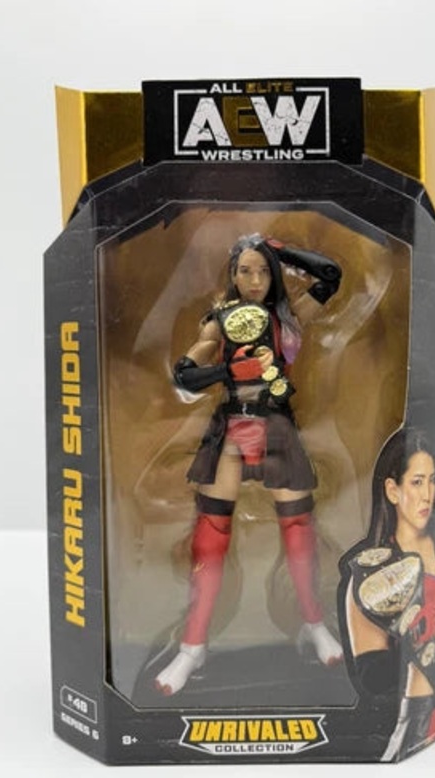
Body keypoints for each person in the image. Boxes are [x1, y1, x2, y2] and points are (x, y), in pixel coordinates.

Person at [154, 233, 344, 695]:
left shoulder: (289, 317)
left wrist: (282, 251)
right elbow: (183, 374)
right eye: (245, 271)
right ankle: (192, 646)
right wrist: (226, 371)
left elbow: (330, 275)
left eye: (263, 270)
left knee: (298, 526)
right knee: (210, 535)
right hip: (231, 425)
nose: (255, 280)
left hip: (276, 423)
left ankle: (314, 624)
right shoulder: (218, 320)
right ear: (233, 275)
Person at [344, 427, 435, 761]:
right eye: (417, 482)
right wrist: (425, 642)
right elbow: (373, 678)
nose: (427, 495)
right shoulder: (375, 578)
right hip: (414, 734)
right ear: (393, 490)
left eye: (432, 481)